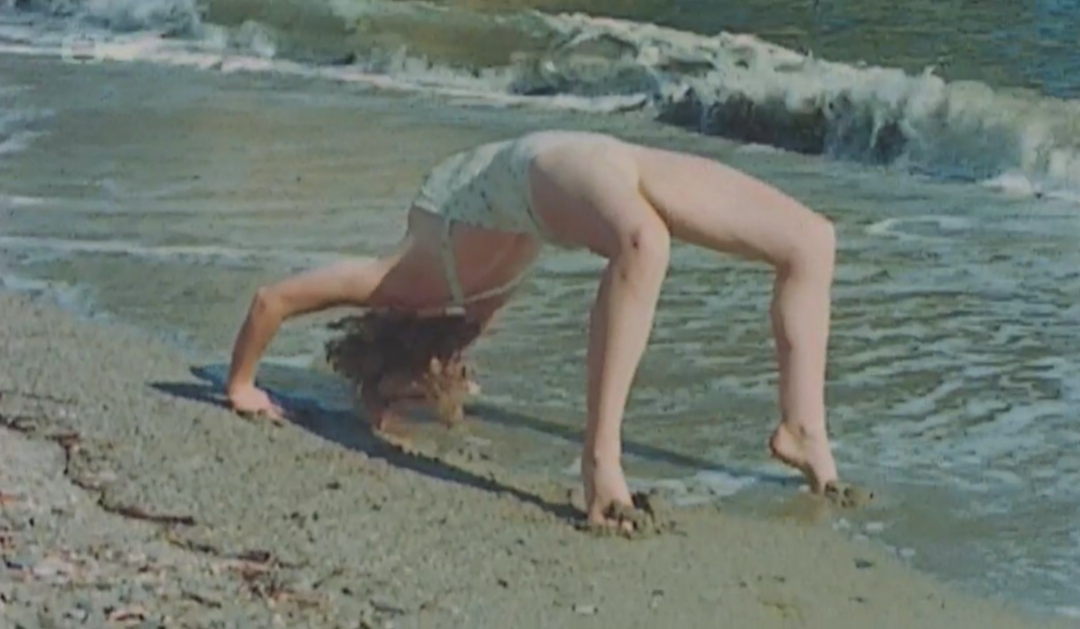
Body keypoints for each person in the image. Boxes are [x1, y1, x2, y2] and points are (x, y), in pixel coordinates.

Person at [225, 129, 841, 529]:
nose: (457, 376)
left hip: (526, 169)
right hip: (581, 160)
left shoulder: (401, 283)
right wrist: (386, 403)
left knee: (661, 242)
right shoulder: (466, 311)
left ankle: (788, 429)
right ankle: (793, 432)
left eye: (437, 376)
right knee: (807, 240)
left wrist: (241, 385)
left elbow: (272, 299)